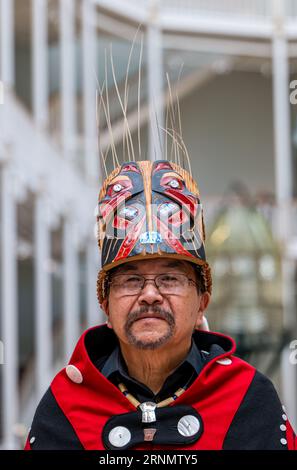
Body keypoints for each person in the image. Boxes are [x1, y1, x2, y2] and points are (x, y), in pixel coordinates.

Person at [25, 159, 297, 450]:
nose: (150, 295)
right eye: (131, 280)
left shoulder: (247, 400)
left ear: (202, 303)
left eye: (169, 279)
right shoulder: (66, 408)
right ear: (105, 303)